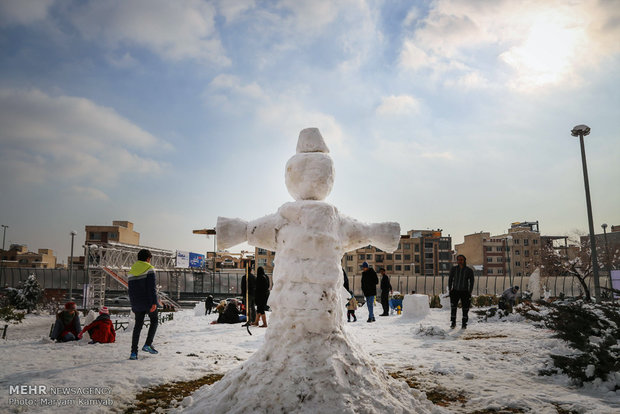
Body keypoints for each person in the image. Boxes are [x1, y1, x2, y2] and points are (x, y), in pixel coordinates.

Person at [128, 249, 160, 360]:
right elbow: (152, 288)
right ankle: (147, 344)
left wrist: (133, 304)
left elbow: (130, 290)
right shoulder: (149, 268)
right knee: (155, 321)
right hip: (147, 301)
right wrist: (154, 302)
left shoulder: (132, 270)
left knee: (138, 326)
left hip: (136, 302)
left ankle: (133, 353)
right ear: (148, 258)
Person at [448, 254, 475, 329]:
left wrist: (470, 291)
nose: (460, 261)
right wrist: (450, 289)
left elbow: (472, 281)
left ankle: (464, 323)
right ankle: (453, 323)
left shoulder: (469, 270)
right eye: (458, 260)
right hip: (455, 291)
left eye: (461, 260)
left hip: (465, 292)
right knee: (453, 307)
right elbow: (450, 279)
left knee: (465, 308)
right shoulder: (454, 269)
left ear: (464, 260)